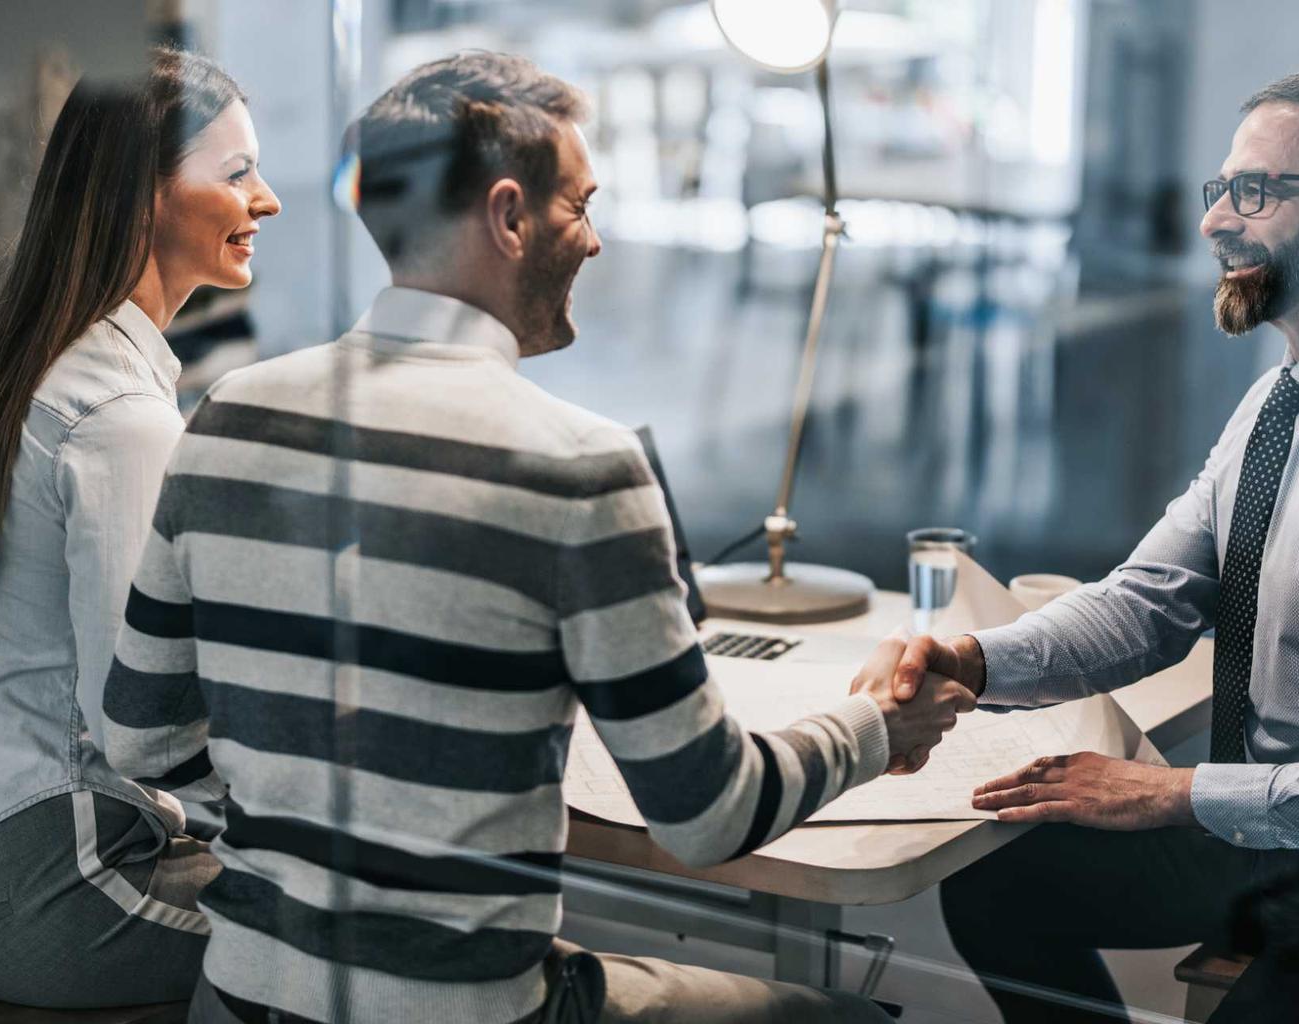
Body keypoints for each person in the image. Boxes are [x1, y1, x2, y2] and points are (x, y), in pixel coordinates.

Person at [100, 51, 975, 1024]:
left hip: (240, 994)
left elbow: (143, 738)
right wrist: (877, 729)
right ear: (509, 217)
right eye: (581, 206)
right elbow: (707, 815)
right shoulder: (575, 463)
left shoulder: (225, 415)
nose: (595, 242)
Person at [874, 69, 1299, 1023]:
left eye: (1255, 191)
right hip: (1269, 838)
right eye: (1219, 192)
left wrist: (1168, 793)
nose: (1216, 222)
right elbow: (1149, 601)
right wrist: (972, 661)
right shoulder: (1278, 401)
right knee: (994, 884)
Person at [0, 48, 280, 1007]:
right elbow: (139, 728)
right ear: (142, 197)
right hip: (53, 886)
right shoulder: (118, 419)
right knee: (358, 942)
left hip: (1, 849)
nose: (265, 199)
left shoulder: (36, 366)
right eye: (235, 175)